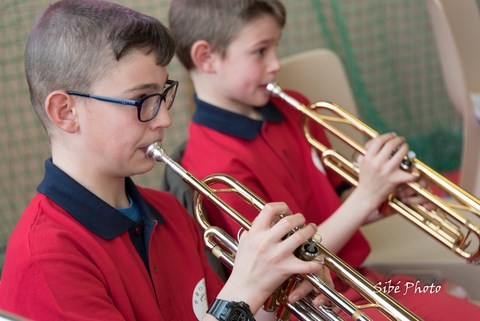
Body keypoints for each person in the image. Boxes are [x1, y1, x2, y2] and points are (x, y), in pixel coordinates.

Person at [0, 1, 334, 320]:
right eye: (142, 100)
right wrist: (244, 291)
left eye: (163, 95)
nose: (164, 119)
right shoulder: (46, 259)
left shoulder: (169, 212)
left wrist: (274, 296)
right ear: (66, 112)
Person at [167, 0, 480, 319]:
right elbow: (284, 264)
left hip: (363, 282)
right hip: (311, 306)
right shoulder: (211, 164)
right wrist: (367, 194)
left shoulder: (295, 109)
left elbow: (336, 196)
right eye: (261, 51)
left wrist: (386, 193)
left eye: (276, 46)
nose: (276, 63)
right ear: (206, 57)